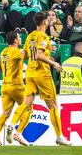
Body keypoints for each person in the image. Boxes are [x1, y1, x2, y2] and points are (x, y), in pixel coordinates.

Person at [7, 12, 72, 146]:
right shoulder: (43, 36)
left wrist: (47, 57)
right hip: (42, 74)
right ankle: (59, 136)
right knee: (53, 106)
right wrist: (54, 64)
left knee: (26, 103)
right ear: (45, 22)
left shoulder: (30, 36)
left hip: (30, 73)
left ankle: (13, 126)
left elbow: (25, 54)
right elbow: (38, 55)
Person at [0, 31, 31, 146]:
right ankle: (18, 133)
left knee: (6, 113)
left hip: (4, 86)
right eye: (19, 37)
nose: (20, 39)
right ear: (15, 40)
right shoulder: (15, 51)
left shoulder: (3, 52)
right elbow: (29, 55)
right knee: (28, 108)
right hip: (16, 86)